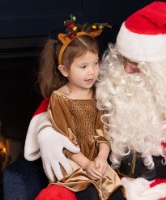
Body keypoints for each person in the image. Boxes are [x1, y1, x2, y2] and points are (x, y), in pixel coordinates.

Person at [25, 1, 166, 199]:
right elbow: (57, 100)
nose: (125, 69)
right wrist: (47, 133)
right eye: (123, 58)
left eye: (135, 64)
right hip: (106, 175)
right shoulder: (106, 74)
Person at [34, 15, 125, 200]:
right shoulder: (60, 98)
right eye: (83, 66)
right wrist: (87, 165)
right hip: (74, 163)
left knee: (116, 193)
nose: (92, 71)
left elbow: (103, 131)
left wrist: (101, 158)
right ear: (65, 70)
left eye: (94, 63)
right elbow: (65, 142)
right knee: (90, 194)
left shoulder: (97, 93)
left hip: (96, 161)